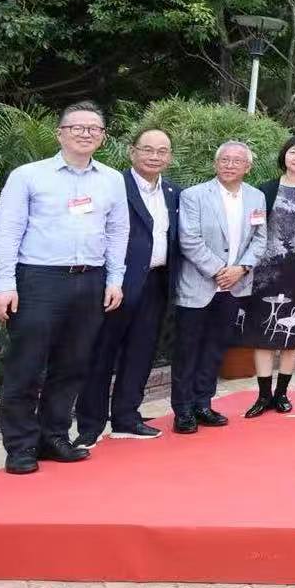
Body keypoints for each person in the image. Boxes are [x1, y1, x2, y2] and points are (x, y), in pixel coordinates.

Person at [0, 102, 127, 474]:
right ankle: (20, 446)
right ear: (60, 133)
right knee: (27, 367)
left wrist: (115, 279)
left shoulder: (112, 179)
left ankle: (54, 437)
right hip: (38, 280)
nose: (85, 133)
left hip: (91, 280)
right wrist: (4, 285)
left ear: (102, 137)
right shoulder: (28, 176)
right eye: (77, 127)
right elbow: (7, 232)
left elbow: (118, 232)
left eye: (94, 128)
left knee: (72, 366)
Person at [75, 127, 179, 447]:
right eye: (147, 149)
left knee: (141, 352)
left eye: (162, 151)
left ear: (170, 157)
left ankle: (127, 417)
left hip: (157, 283)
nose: (154, 156)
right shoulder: (111, 184)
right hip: (115, 285)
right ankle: (90, 426)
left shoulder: (174, 192)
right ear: (132, 151)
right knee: (102, 353)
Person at [173, 141, 266, 435]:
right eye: (224, 159)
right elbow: (189, 239)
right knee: (188, 350)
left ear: (247, 167)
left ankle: (203, 403)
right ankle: (183, 410)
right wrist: (218, 271)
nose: (229, 164)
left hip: (234, 286)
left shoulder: (256, 197)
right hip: (198, 285)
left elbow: (260, 239)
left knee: (214, 349)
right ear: (216, 164)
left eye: (237, 160)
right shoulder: (194, 195)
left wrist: (241, 269)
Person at [237, 134, 295, 418]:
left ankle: (283, 393)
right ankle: (263, 395)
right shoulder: (265, 191)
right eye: (293, 151)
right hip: (266, 270)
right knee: (263, 331)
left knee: (294, 332)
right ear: (284, 156)